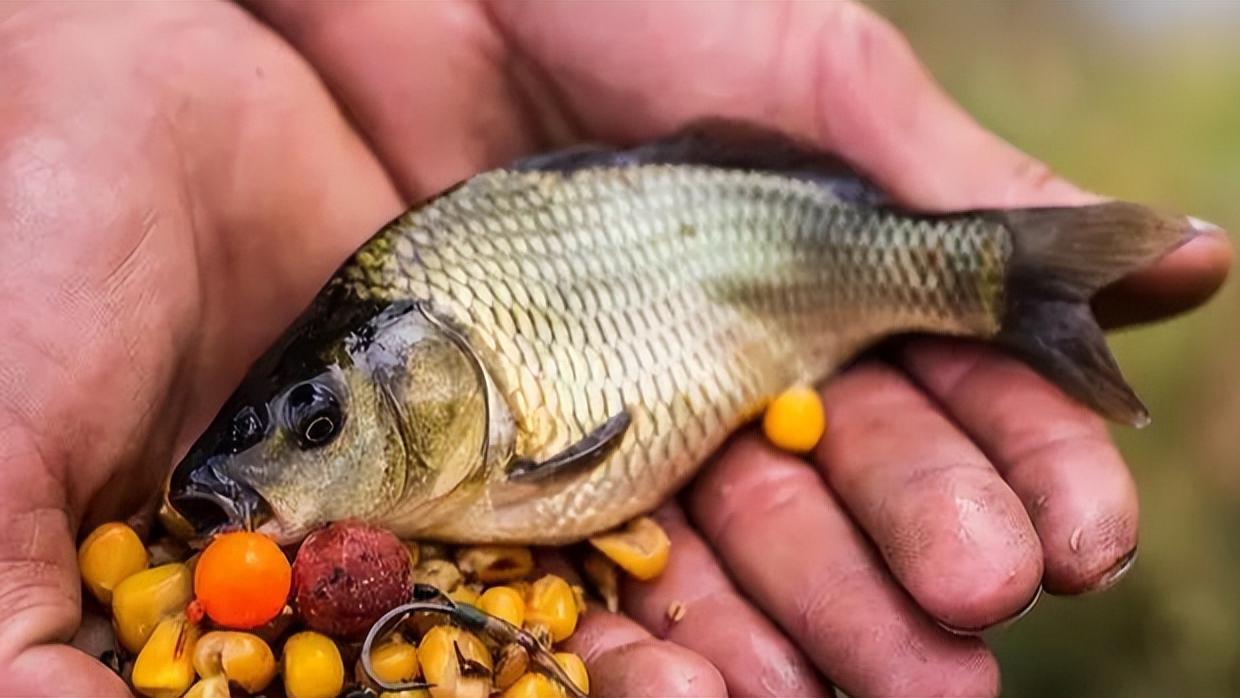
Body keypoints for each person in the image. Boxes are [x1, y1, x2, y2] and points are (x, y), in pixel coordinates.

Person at [0, 2, 1229, 696]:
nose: (272, 470)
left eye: (315, 423)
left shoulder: (505, 465)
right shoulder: (425, 373)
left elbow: (595, 463)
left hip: (779, 251)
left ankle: (1009, 277)